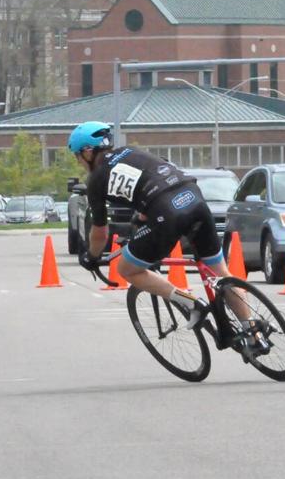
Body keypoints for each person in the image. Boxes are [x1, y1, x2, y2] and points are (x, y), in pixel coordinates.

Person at [70, 121, 235, 330]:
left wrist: (92, 257)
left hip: (166, 213)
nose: (79, 162)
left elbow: (100, 232)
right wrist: (144, 214)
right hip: (193, 195)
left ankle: (192, 304)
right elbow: (158, 175)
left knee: (127, 269)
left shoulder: (95, 180)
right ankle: (253, 330)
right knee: (222, 273)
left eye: (77, 156)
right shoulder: (131, 151)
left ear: (87, 152)